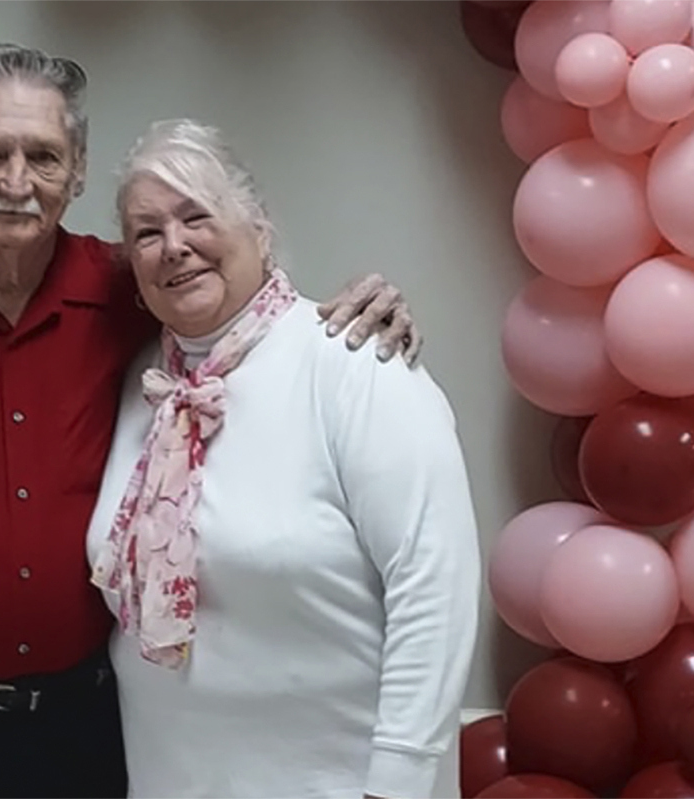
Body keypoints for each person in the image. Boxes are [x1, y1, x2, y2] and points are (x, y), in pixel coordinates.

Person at [0, 44, 421, 799]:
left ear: (77, 171)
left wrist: (351, 314)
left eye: (44, 157)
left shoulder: (134, 288)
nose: (17, 183)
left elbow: (243, 313)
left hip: (87, 725)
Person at [86, 119, 481, 799]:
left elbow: (434, 583)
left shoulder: (354, 363)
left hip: (342, 783)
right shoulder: (139, 386)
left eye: (196, 216)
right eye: (146, 233)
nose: (173, 246)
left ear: (259, 227)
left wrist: (399, 779)